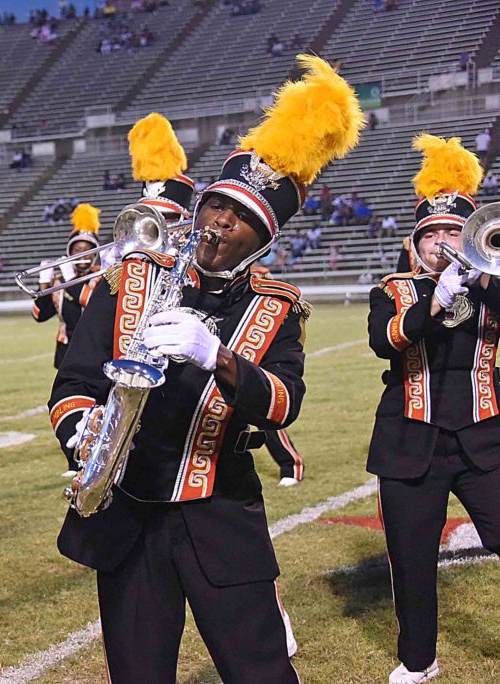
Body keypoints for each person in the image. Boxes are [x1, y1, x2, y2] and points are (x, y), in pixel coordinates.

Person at [50, 56, 361, 682]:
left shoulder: (279, 308)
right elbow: (72, 384)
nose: (219, 221)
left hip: (220, 513)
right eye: (216, 204)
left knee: (262, 672)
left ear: (266, 237)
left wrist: (216, 356)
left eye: (241, 216)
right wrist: (85, 434)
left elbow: (282, 403)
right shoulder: (130, 276)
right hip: (126, 510)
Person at [368, 133, 500, 684]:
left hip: (485, 439)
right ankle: (419, 660)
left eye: (454, 232)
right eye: (432, 234)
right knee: (412, 560)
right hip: (409, 442)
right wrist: (438, 298)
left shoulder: (494, 283)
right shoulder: (394, 289)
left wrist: (484, 279)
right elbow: (386, 339)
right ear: (416, 243)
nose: (443, 242)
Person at [32, 203, 102, 377]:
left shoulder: (103, 277)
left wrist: (71, 280)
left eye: (88, 251)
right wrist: (44, 283)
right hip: (66, 350)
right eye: (77, 250)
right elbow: (39, 315)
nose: (83, 255)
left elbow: (89, 302)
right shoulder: (61, 280)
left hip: (94, 348)